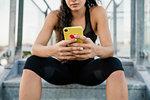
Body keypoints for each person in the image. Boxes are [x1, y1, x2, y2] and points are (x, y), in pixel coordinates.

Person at [19, 0, 128, 100]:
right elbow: (35, 48)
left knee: (114, 63)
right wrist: (53, 50)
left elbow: (109, 50)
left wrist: (96, 50)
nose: (73, 0)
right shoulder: (54, 16)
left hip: (89, 72)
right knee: (32, 61)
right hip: (62, 72)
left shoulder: (97, 12)